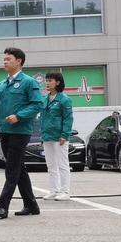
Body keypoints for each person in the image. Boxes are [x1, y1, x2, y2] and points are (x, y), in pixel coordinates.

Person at [0, 47, 44, 220]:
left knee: (12, 168)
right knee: (18, 168)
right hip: (5, 131)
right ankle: (31, 205)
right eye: (4, 59)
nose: (5, 62)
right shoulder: (1, 85)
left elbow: (38, 104)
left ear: (19, 61)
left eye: (8, 59)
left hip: (20, 131)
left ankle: (3, 205)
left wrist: (19, 116)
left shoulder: (29, 82)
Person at [39, 71, 74, 201]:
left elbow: (68, 118)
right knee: (51, 165)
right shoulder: (45, 99)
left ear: (57, 82)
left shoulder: (64, 99)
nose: (47, 83)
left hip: (59, 137)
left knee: (62, 164)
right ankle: (54, 190)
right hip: (47, 136)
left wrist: (65, 135)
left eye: (50, 81)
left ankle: (65, 191)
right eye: (46, 80)